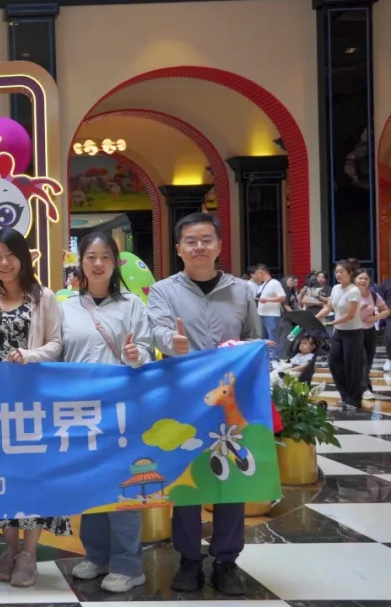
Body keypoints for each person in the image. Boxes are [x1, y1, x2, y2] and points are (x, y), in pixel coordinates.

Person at [147, 212, 259, 595]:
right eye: (191, 241)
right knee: (187, 481)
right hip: (184, 402)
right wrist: (171, 342)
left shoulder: (241, 291)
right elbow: (157, 329)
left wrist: (254, 351)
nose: (199, 247)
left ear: (219, 245)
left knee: (233, 481)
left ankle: (226, 561)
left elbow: (253, 337)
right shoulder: (163, 291)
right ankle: (189, 559)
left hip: (231, 401)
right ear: (178, 248)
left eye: (206, 239)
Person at [0, 227, 67, 588]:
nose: (4, 263)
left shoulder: (43, 297)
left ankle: (29, 553)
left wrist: (30, 355)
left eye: (10, 255)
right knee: (3, 474)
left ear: (23, 258)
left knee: (33, 474)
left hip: (34, 402)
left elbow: (56, 344)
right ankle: (9, 548)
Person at [62, 233, 153, 594]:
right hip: (79, 411)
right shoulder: (66, 306)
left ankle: (129, 565)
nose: (97, 263)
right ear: (81, 262)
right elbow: (57, 353)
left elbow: (145, 351)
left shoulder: (132, 305)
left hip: (121, 411)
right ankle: (97, 555)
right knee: (91, 484)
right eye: (90, 257)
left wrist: (136, 355)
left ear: (115, 263)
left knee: (122, 486)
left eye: (105, 257)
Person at [316, 259, 365, 409]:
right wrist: (315, 318)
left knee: (352, 367)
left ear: (350, 273)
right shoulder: (336, 288)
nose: (338, 274)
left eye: (341, 272)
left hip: (353, 333)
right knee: (334, 363)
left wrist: (331, 323)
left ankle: (354, 400)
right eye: (336, 271)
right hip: (339, 332)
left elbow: (350, 315)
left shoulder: (354, 291)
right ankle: (345, 395)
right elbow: (328, 307)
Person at [354, 269, 388, 402]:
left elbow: (386, 310)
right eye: (360, 278)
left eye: (366, 278)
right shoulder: (350, 294)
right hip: (354, 331)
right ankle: (365, 389)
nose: (363, 281)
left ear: (369, 281)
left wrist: (374, 318)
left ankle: (362, 386)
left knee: (368, 361)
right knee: (361, 360)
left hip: (369, 331)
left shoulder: (373, 295)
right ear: (354, 279)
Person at [254, 264, 286, 360]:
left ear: (261, 273)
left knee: (273, 338)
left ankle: (275, 358)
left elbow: (282, 297)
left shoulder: (274, 283)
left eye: (257, 274)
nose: (256, 277)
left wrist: (267, 300)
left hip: (272, 315)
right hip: (261, 315)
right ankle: (266, 359)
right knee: (263, 340)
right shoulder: (261, 285)